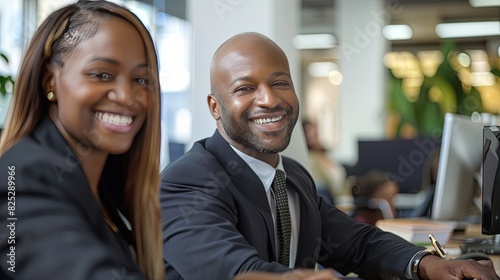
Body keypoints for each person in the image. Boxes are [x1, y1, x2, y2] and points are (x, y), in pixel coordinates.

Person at [160, 31, 499, 280]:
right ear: (214, 107)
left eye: (280, 83)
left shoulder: (291, 175)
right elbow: (232, 270)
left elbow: (357, 244)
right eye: (245, 88)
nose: (268, 99)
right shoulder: (187, 181)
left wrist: (425, 263)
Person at [0, 1, 163, 279]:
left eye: (141, 80)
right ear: (50, 81)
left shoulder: (107, 193)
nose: (126, 96)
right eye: (102, 75)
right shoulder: (23, 175)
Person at [302, 119, 347, 204]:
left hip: (342, 202)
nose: (311, 134)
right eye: (307, 131)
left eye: (313, 130)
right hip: (328, 204)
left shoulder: (328, 156)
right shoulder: (309, 159)